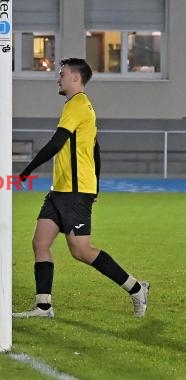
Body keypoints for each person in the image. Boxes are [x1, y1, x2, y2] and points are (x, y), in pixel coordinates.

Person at [14, 58, 149, 318]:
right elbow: (95, 150)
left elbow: (57, 142)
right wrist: (96, 187)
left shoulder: (77, 104)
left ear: (76, 78)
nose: (58, 78)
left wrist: (28, 169)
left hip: (75, 193)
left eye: (62, 74)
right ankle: (44, 307)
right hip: (61, 190)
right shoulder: (81, 106)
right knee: (40, 243)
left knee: (82, 251)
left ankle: (136, 288)